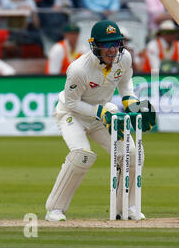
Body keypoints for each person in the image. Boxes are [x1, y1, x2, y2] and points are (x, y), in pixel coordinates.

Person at [45, 20, 156, 222]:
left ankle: (126, 207)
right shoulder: (79, 69)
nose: (112, 49)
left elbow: (125, 85)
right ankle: (55, 209)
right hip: (73, 115)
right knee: (82, 155)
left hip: (102, 113)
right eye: (106, 44)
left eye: (116, 43)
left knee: (132, 152)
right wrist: (101, 112)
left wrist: (131, 103)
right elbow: (71, 103)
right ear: (95, 45)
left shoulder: (125, 59)